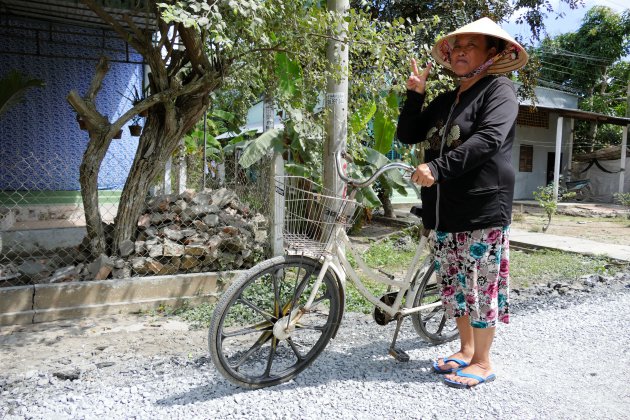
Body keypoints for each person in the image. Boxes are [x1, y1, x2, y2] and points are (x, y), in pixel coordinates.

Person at [396, 17, 528, 389]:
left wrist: (438, 167)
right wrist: (416, 94)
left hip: (482, 208)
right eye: (457, 46)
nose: (460, 51)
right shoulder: (446, 100)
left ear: (493, 53)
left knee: (480, 286)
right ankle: (466, 349)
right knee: (454, 286)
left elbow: (488, 139)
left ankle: (484, 362)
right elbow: (408, 134)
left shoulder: (499, 91)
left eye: (471, 45)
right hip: (443, 209)